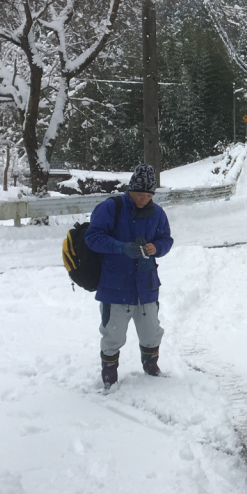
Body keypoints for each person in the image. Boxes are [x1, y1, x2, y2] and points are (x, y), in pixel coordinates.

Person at [84, 163, 174, 388]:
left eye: (149, 194)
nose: (144, 199)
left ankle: (151, 366)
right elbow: (92, 237)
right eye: (140, 194)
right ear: (130, 189)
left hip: (147, 285)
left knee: (151, 330)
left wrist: (156, 248)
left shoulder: (158, 213)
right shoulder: (111, 208)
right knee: (112, 333)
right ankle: (109, 374)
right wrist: (120, 247)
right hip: (115, 286)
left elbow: (166, 239)